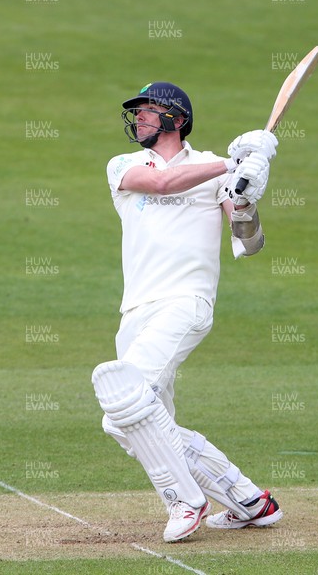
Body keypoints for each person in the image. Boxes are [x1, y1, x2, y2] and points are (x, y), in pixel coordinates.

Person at [92, 81, 283, 542]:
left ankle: (185, 501)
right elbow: (160, 184)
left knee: (123, 400)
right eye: (136, 113)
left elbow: (247, 240)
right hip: (136, 309)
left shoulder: (213, 167)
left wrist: (244, 194)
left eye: (147, 111)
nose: (137, 119)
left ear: (175, 118)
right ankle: (250, 501)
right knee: (137, 423)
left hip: (186, 302)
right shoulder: (124, 165)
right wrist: (232, 163)